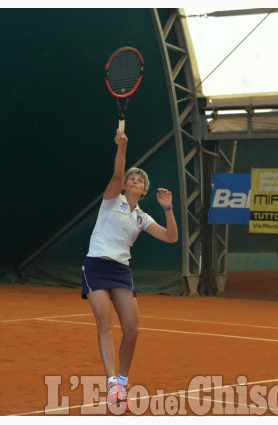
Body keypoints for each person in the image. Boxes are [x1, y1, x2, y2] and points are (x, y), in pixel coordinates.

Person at [81, 129, 178, 409]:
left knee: (132, 330)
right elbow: (116, 176)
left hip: (121, 271)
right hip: (96, 266)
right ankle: (112, 384)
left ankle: (122, 382)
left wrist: (168, 208)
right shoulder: (112, 200)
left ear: (144, 191)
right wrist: (122, 148)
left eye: (140, 181)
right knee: (105, 323)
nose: (135, 181)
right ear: (126, 186)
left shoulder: (141, 217)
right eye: (132, 179)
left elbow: (171, 237)